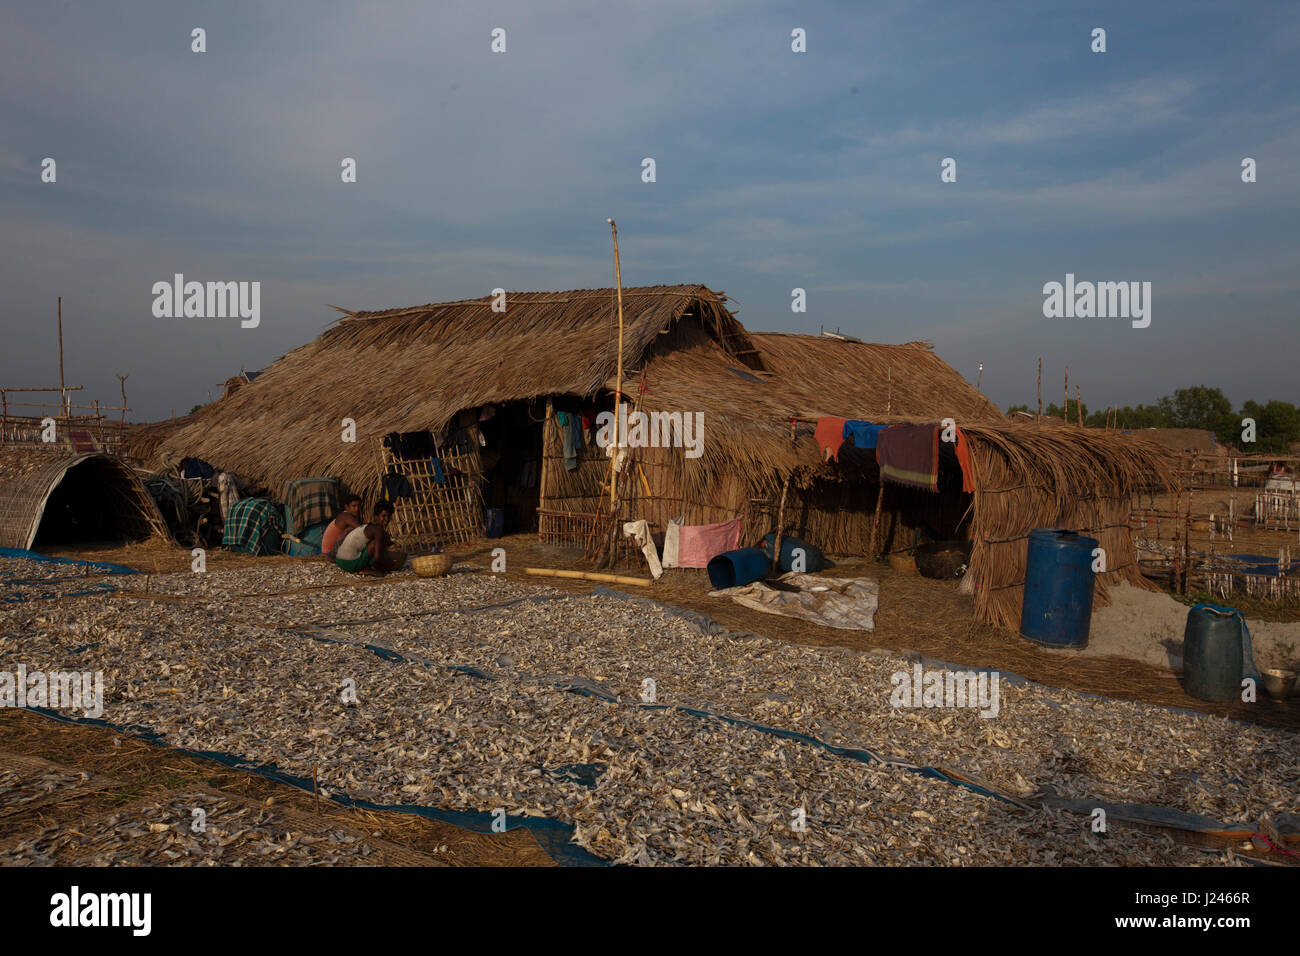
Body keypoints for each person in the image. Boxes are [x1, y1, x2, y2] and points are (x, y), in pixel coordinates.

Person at [334, 501, 406, 574]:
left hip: (340, 561)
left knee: (382, 541)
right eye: (384, 516)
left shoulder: (369, 527)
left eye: (389, 516)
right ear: (376, 516)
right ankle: (367, 569)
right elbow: (377, 557)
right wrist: (389, 566)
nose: (387, 519)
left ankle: (366, 567)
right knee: (377, 543)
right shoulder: (378, 530)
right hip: (350, 563)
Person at [321, 494, 363, 560]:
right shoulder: (345, 516)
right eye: (354, 506)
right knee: (352, 530)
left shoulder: (351, 516)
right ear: (347, 507)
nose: (357, 509)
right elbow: (362, 529)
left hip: (332, 551)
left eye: (359, 506)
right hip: (330, 553)